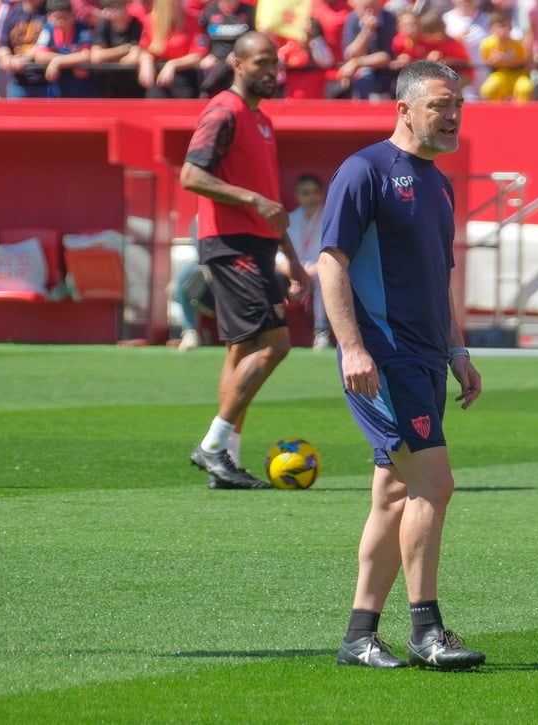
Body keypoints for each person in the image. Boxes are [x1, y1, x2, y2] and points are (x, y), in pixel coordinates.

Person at [318, 59, 486, 671]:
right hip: (382, 358)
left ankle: (359, 635)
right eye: (440, 105)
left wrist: (458, 350)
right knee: (434, 485)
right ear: (405, 109)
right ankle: (426, 631)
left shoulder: (439, 183)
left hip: (424, 360)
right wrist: (353, 347)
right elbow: (331, 261)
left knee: (393, 494)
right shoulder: (364, 171)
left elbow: (440, 278)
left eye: (457, 105)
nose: (452, 115)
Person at [181, 29, 310, 490]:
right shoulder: (223, 110)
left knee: (241, 350)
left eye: (274, 64)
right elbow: (191, 174)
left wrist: (292, 260)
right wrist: (253, 201)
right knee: (275, 344)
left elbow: (271, 204)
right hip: (231, 242)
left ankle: (226, 462)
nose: (271, 72)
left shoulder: (262, 120)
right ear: (238, 64)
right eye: (260, 63)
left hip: (256, 243)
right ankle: (213, 447)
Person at [278, 173, 332, 350]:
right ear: (297, 195)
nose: (311, 197)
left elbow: (335, 252)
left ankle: (321, 334)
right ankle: (270, 334)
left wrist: (312, 270)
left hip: (319, 271)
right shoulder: (289, 219)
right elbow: (276, 254)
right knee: (272, 276)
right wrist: (291, 272)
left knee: (324, 277)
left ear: (322, 194)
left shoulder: (331, 218)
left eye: (315, 192)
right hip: (292, 273)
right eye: (305, 193)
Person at [138, 0, 208, 98]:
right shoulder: (150, 20)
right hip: (158, 76)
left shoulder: (193, 19)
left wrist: (173, 64)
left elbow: (198, 54)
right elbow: (145, 49)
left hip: (185, 76)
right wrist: (146, 62)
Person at [35, 0, 98, 97]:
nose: (61, 21)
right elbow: (40, 55)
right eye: (57, 17)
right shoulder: (48, 29)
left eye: (64, 17)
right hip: (57, 87)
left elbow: (85, 55)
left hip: (81, 88)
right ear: (49, 18)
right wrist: (70, 60)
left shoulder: (82, 28)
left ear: (72, 16)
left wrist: (57, 62)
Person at [339, 0, 399, 99]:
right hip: (366, 72)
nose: (369, 12)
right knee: (362, 79)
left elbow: (387, 56)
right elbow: (351, 53)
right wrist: (366, 31)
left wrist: (357, 62)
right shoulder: (352, 18)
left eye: (372, 7)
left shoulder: (390, 19)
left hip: (389, 72)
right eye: (365, 8)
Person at [197, 0, 255, 97]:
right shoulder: (210, 10)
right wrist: (205, 56)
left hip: (239, 61)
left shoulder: (249, 10)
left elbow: (255, 39)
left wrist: (239, 52)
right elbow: (201, 37)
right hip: (216, 62)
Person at [0, 0, 50, 97]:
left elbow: (44, 44)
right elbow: (3, 44)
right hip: (18, 83)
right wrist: (5, 57)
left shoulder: (50, 11)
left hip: (46, 83)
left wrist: (22, 59)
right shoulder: (13, 12)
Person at [91, 0, 145, 98]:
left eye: (123, 6)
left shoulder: (136, 24)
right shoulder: (104, 24)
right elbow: (97, 56)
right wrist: (125, 48)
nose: (122, 10)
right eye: (117, 7)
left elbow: (132, 58)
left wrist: (110, 55)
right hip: (109, 82)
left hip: (132, 83)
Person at [480, 8, 533, 101]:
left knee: (525, 88)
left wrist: (509, 60)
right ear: (492, 28)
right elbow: (488, 63)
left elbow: (524, 63)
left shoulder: (517, 44)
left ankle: (523, 114)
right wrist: (495, 60)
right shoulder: (487, 44)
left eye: (507, 27)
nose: (504, 30)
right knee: (489, 89)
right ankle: (493, 114)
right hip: (499, 74)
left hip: (517, 74)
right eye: (501, 27)